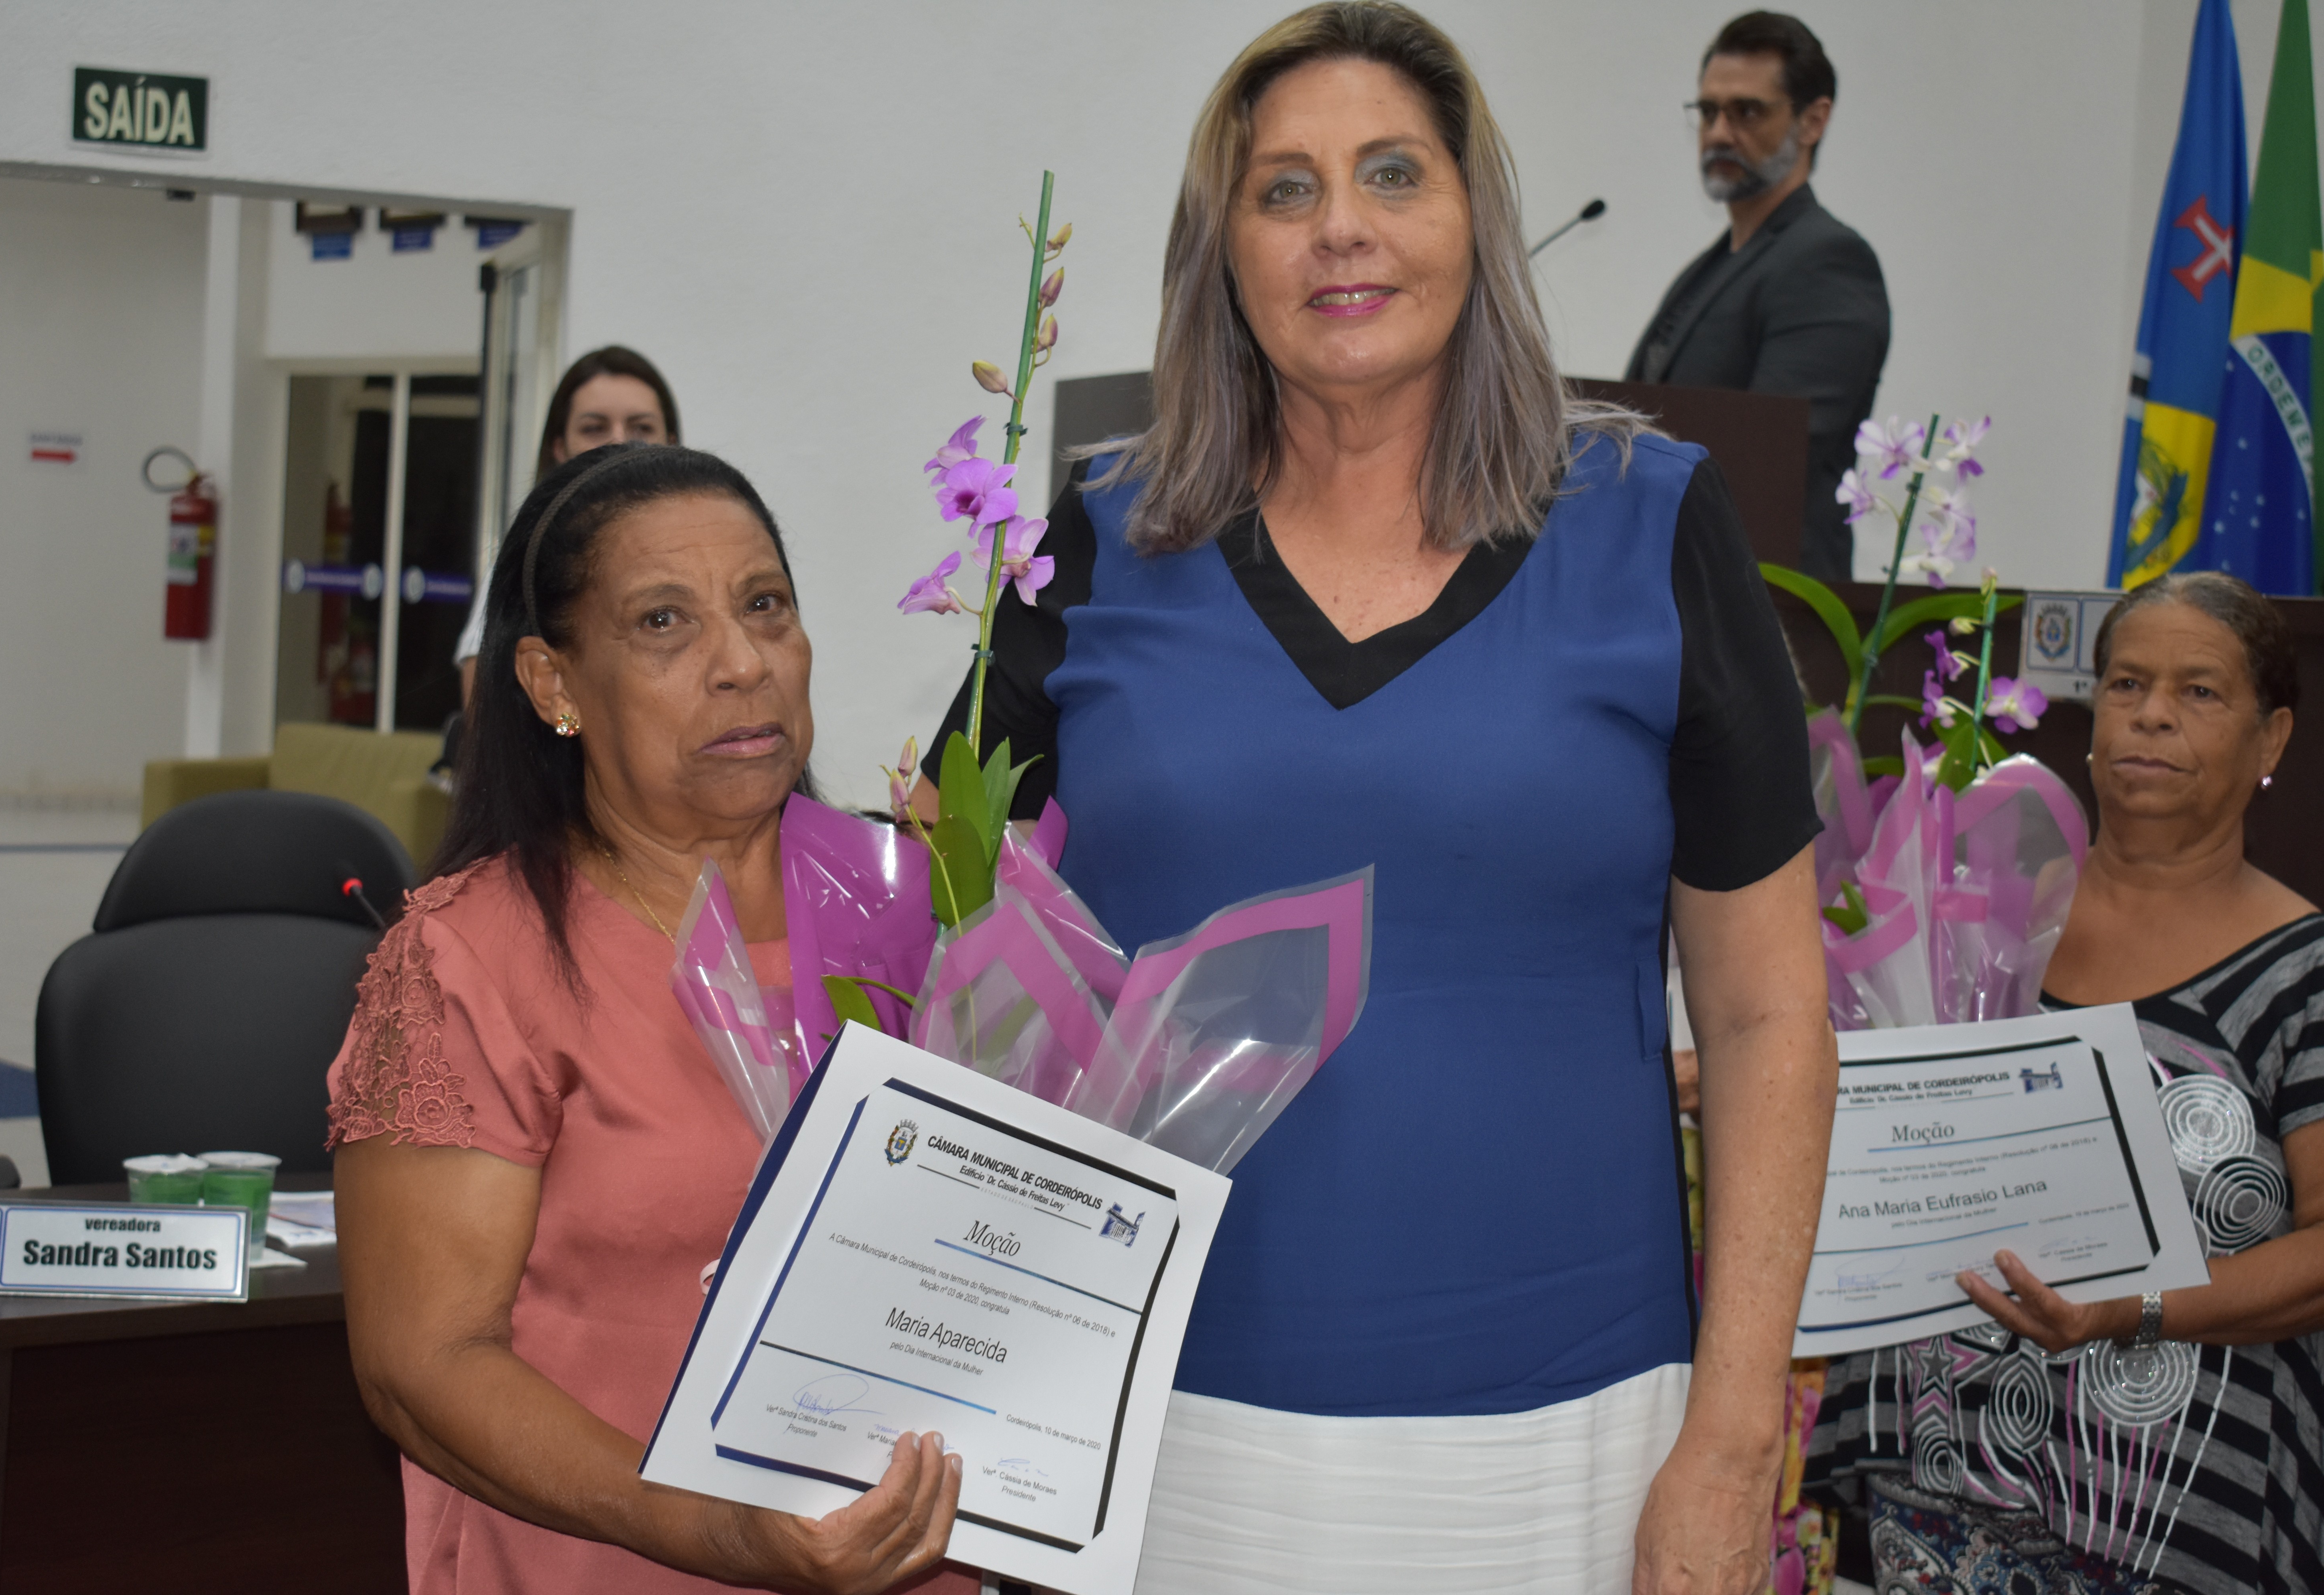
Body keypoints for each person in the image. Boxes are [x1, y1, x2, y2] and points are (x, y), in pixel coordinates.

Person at [916, 5, 1840, 1588]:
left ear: (1477, 217)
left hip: (1568, 1439)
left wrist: (1735, 1432)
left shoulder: (1653, 524)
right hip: (1143, 1431)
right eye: (1284, 189)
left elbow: (1766, 1018)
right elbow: (948, 947)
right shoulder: (1102, 537)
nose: (1339, 224)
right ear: (1223, 251)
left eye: (1394, 173)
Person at [331, 443, 969, 1595]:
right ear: (553, 685)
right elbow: (422, 1365)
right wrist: (716, 1529)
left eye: (765, 605)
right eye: (665, 623)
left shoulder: (916, 912)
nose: (743, 663)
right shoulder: (474, 959)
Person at [1806, 572, 2324, 1594]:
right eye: (2127, 683)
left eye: (2199, 691)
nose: (2153, 714)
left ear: (2272, 740)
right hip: (1934, 1492)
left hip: (2168, 1522)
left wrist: (2127, 1307)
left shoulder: (2302, 972)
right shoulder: (1965, 910)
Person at [1625, 12, 1889, 581]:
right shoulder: (1711, 268)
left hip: (1768, 600)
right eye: (1709, 112)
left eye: (1746, 112)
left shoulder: (1828, 263)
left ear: (1812, 121)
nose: (1720, 133)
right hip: (1683, 583)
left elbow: (1772, 457)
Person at [453, 346, 682, 705]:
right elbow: (483, 702)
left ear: (671, 444)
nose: (619, 442)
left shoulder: (706, 546)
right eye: (594, 428)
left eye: (642, 427)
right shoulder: (527, 556)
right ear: (560, 448)